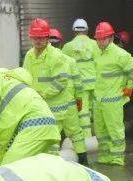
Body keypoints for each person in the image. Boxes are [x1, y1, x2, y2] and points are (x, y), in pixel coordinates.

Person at [22, 19, 88, 165]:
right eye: (35, 38)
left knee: (63, 137)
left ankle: (82, 163)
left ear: (47, 38)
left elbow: (61, 81)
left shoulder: (56, 56)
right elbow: (25, 77)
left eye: (41, 38)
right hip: (40, 106)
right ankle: (51, 169)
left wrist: (43, 94)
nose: (38, 41)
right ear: (31, 38)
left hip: (59, 106)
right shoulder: (29, 56)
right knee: (48, 138)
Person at [92, 21, 133, 166]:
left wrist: (130, 86)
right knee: (101, 132)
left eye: (103, 38)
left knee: (115, 131)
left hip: (113, 100)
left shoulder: (119, 54)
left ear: (111, 38)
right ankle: (105, 157)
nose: (100, 41)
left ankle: (117, 159)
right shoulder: (96, 52)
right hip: (99, 100)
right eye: (98, 38)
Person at [62, 18, 98, 138]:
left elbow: (63, 66)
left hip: (79, 86)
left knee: (83, 114)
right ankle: (99, 138)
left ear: (73, 31)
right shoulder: (95, 44)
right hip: (95, 84)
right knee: (96, 111)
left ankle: (87, 139)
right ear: (87, 30)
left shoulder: (68, 47)